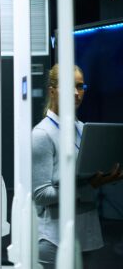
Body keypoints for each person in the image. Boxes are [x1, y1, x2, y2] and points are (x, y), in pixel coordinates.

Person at [32, 64, 123, 269]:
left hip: (86, 233)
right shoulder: (42, 134)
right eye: (68, 86)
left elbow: (88, 175)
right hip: (54, 237)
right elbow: (41, 195)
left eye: (80, 86)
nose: (76, 93)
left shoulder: (84, 130)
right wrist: (88, 186)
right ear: (52, 90)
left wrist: (107, 176)